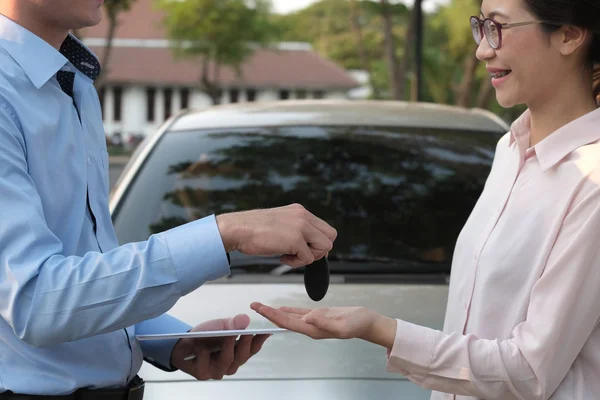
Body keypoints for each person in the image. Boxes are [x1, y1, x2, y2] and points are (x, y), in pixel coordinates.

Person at [252, 0, 600, 399]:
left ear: (570, 35)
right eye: (482, 27)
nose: (483, 50)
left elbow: (529, 372)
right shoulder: (510, 149)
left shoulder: (592, 181)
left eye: (498, 28)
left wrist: (377, 328)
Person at [0, 0, 337, 398]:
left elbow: (80, 261)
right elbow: (34, 302)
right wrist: (225, 232)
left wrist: (169, 340)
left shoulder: (73, 84)